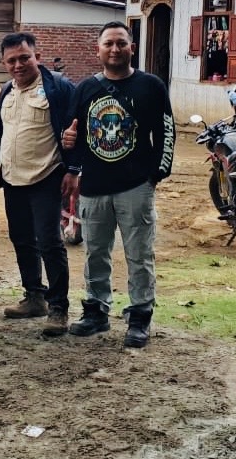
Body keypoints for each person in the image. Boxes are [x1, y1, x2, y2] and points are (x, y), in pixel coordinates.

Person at [61, 21, 175, 348]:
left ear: (132, 48)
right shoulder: (86, 89)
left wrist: (157, 174)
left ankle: (140, 316)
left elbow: (166, 130)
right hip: (94, 186)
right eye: (108, 43)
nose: (115, 49)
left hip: (135, 186)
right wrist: (70, 153)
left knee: (139, 254)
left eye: (121, 43)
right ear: (97, 49)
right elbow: (73, 133)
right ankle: (96, 310)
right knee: (95, 252)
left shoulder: (151, 86)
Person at [0, 32, 75, 336]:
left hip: (47, 177)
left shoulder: (58, 88)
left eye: (24, 58)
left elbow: (76, 128)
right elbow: (0, 133)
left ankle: (58, 308)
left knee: (49, 242)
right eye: (12, 60)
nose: (18, 65)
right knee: (21, 239)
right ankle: (35, 297)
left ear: (37, 57)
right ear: (3, 63)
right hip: (12, 179)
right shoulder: (6, 92)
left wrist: (74, 169)